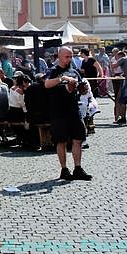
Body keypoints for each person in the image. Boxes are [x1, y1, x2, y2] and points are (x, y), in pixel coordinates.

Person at [44, 47, 92, 181]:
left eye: (71, 57)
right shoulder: (53, 71)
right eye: (67, 57)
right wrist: (62, 79)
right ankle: (64, 169)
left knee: (78, 138)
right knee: (61, 141)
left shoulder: (74, 71)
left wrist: (83, 89)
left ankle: (78, 168)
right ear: (60, 57)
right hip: (59, 111)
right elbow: (47, 84)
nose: (69, 59)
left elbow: (81, 86)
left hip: (73, 109)